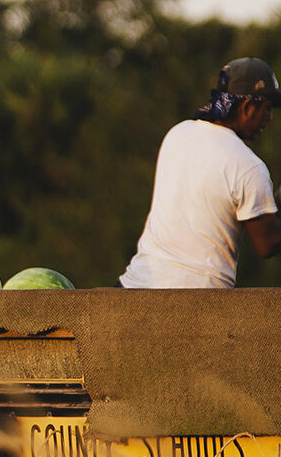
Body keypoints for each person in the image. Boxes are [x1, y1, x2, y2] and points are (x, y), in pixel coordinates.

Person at [119, 57, 281, 288]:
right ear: (247, 107)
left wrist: (271, 204)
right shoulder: (249, 166)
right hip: (199, 296)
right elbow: (268, 244)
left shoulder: (177, 134)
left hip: (139, 283)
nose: (269, 117)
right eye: (267, 109)